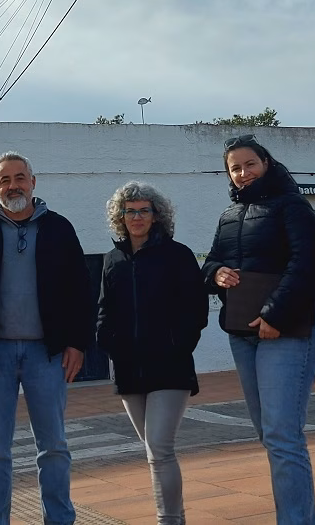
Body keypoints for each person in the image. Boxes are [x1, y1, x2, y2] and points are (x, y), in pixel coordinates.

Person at [202, 134, 315, 525]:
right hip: (243, 331)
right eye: (235, 168)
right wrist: (215, 273)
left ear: (266, 163)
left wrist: (275, 315)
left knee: (282, 434)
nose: (243, 173)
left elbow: (307, 266)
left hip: (288, 328)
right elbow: (209, 263)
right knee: (270, 434)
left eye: (249, 164)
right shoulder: (228, 216)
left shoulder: (293, 206)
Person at [0, 152, 92, 525]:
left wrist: (77, 343)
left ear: (33, 182)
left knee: (53, 447)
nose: (13, 185)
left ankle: (60, 519)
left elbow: (81, 290)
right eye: (5, 179)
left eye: (20, 177)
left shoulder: (59, 229)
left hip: (46, 354)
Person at [97, 182, 208, 525]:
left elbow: (196, 311)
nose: (136, 217)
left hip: (169, 367)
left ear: (156, 215)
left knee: (159, 448)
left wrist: (176, 345)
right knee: (153, 452)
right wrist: (108, 342)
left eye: (144, 210)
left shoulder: (178, 255)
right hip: (129, 369)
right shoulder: (112, 259)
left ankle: (168, 520)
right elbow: (104, 310)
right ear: (121, 216)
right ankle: (176, 515)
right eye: (130, 211)